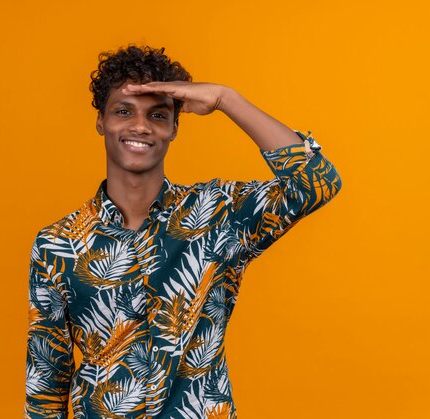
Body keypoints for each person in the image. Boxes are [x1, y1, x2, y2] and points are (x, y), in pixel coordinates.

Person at [24, 45, 342, 419]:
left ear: (175, 127)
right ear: (101, 121)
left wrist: (226, 99)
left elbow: (315, 184)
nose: (140, 126)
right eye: (123, 111)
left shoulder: (216, 215)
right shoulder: (59, 243)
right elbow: (47, 380)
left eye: (157, 115)